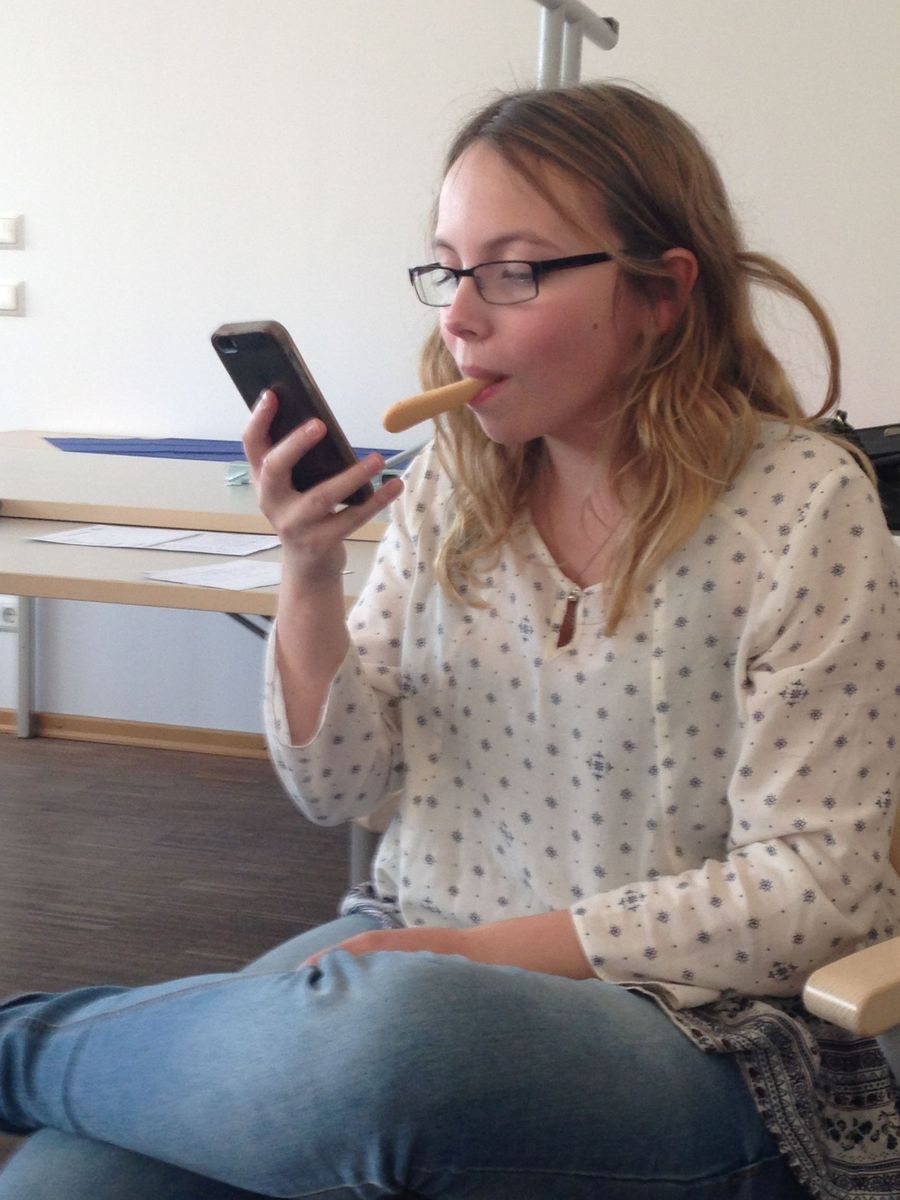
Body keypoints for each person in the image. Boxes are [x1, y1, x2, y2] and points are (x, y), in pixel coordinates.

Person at [0, 81, 898, 1200]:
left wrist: (471, 962)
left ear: (661, 294)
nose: (459, 318)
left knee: (394, 1043)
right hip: (418, 948)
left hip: (702, 1035)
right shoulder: (449, 486)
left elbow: (818, 888)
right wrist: (309, 569)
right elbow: (342, 788)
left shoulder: (804, 504)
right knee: (66, 1181)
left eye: (512, 273)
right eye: (447, 270)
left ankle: (16, 1047)